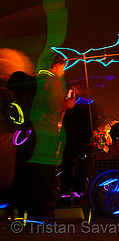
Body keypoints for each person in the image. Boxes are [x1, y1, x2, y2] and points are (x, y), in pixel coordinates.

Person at [25, 53, 73, 218]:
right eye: (63, 67)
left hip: (32, 131)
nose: (64, 72)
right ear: (57, 65)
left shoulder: (38, 79)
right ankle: (41, 211)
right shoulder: (52, 82)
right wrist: (69, 103)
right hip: (46, 132)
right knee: (45, 174)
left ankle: (30, 209)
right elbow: (54, 107)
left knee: (34, 173)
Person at [60, 85, 104, 204]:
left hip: (76, 142)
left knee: (73, 167)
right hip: (76, 142)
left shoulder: (83, 108)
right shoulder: (85, 107)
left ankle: (70, 194)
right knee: (75, 167)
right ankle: (73, 193)